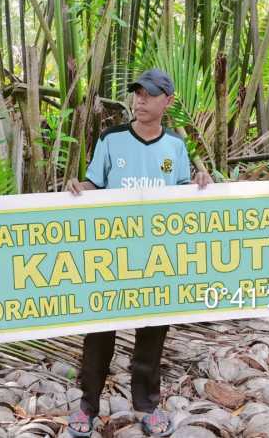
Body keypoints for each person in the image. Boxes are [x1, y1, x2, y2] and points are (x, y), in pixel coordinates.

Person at [64, 69, 213, 437]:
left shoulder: (175, 145)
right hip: (113, 255)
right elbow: (94, 184)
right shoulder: (111, 139)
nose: (140, 100)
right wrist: (77, 188)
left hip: (157, 257)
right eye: (137, 93)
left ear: (168, 101)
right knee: (100, 330)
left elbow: (182, 194)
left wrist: (200, 182)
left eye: (149, 94)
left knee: (152, 330)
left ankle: (146, 404)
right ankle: (88, 406)